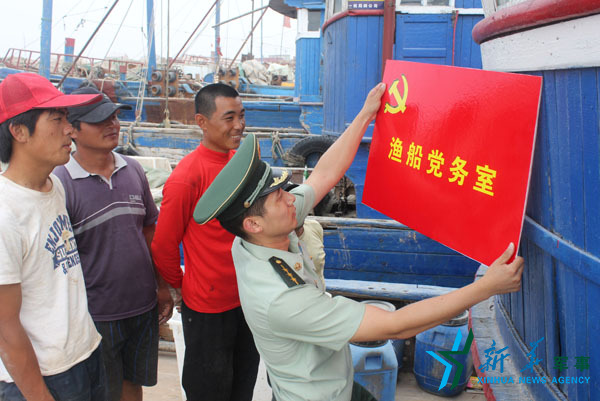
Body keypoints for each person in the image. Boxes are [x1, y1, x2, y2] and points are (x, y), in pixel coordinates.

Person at [192, 83, 525, 401]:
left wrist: (366, 115)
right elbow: (395, 326)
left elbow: (324, 174)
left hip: (335, 382)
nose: (292, 198)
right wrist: (487, 288)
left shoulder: (257, 235)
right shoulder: (281, 299)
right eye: (279, 196)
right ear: (253, 222)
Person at [53, 86, 174, 401]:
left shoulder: (132, 170)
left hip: (141, 306)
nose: (113, 125)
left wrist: (161, 286)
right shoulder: (60, 183)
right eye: (99, 120)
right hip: (95, 314)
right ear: (73, 130)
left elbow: (149, 230)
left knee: (132, 384)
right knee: (101, 390)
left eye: (115, 116)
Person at [0, 72, 106, 400]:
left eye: (67, 118)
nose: (69, 130)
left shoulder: (53, 185)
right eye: (56, 119)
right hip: (44, 375)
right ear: (18, 131)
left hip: (85, 352)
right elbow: (5, 328)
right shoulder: (6, 213)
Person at [151, 83, 259, 401]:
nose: (239, 125)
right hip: (208, 309)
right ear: (202, 122)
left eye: (241, 115)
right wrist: (182, 286)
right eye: (229, 117)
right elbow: (163, 245)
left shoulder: (242, 165)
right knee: (208, 391)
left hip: (248, 301)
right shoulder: (187, 176)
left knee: (243, 387)